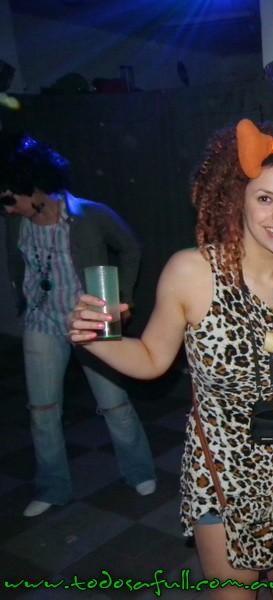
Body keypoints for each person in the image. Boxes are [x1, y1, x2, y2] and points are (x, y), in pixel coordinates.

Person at [68, 120, 273, 599]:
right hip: (223, 460)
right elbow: (151, 358)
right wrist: (94, 339)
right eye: (265, 198)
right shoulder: (191, 271)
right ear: (237, 200)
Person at [0, 133, 156, 518]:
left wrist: (122, 300)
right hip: (42, 320)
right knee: (42, 409)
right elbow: (20, 266)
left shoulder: (89, 214)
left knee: (115, 404)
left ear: (33, 185)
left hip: (90, 322)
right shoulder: (18, 224)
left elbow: (131, 248)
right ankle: (53, 487)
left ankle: (139, 470)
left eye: (9, 199)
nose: (7, 209)